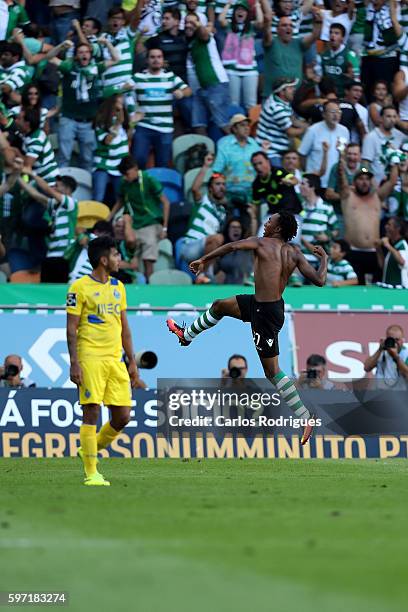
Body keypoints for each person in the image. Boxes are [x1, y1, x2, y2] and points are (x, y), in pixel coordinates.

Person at [166, 211, 329, 445]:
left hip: (265, 313)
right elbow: (320, 280)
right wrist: (324, 259)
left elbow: (232, 246)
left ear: (279, 227)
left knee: (272, 372)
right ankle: (187, 335)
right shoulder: (295, 252)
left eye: (270, 220)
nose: (266, 223)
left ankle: (305, 417)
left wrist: (204, 260)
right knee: (220, 305)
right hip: (261, 304)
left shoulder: (262, 242)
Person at [66, 235, 140, 486]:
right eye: (116, 254)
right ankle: (91, 472)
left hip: (114, 359)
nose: (120, 259)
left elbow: (125, 329)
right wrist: (74, 362)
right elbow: (70, 328)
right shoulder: (79, 288)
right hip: (90, 357)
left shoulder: (119, 287)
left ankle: (90, 448)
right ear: (103, 259)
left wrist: (132, 362)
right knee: (92, 411)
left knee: (123, 417)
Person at [43, 38, 120, 173]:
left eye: (86, 52)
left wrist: (107, 43)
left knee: (87, 158)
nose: (84, 55)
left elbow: (116, 59)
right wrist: (61, 46)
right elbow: (49, 57)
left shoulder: (96, 68)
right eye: (80, 52)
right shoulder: (69, 67)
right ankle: (60, 188)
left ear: (90, 55)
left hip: (88, 121)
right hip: (68, 119)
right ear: (76, 55)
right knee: (64, 156)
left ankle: (87, 190)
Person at [127, 47, 191, 169]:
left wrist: (182, 93)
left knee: (163, 164)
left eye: (159, 57)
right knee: (138, 160)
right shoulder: (138, 77)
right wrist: (132, 113)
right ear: (147, 60)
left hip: (164, 128)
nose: (156, 60)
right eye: (152, 57)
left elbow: (188, 90)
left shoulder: (171, 77)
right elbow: (123, 90)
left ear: (163, 60)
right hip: (144, 127)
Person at [110, 155, 170, 280]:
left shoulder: (149, 180)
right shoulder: (124, 182)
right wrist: (108, 217)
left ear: (135, 168)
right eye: (123, 175)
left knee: (148, 247)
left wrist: (164, 228)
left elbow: (165, 202)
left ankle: (149, 283)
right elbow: (120, 201)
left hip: (151, 222)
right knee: (129, 246)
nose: (125, 177)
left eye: (127, 174)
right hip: (134, 222)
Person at [19, 169, 78, 282]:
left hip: (63, 257)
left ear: (67, 189)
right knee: (46, 291)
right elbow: (35, 194)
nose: (53, 188)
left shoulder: (71, 202)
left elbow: (46, 189)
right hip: (50, 255)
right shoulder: (55, 204)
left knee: (60, 293)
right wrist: (17, 176)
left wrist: (32, 173)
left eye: (57, 186)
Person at [185, 14, 231, 136]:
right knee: (198, 124)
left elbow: (204, 34)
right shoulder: (192, 43)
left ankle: (239, 150)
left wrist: (200, 25)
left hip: (216, 85)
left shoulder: (206, 36)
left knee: (223, 124)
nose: (188, 25)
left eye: (192, 23)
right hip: (201, 88)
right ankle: (204, 153)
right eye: (186, 23)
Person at [178, 169, 227, 281]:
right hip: (190, 246)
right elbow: (195, 188)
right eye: (218, 184)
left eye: (224, 184)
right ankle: (204, 274)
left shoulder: (223, 212)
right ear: (210, 188)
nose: (221, 187)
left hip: (207, 249)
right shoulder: (204, 200)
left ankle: (205, 278)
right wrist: (205, 167)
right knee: (218, 238)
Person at [262, 10, 323, 99]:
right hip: (273, 96)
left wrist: (318, 22)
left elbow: (314, 36)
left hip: (296, 97)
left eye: (291, 25)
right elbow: (267, 34)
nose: (288, 28)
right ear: (277, 29)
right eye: (284, 25)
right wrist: (267, 22)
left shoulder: (298, 43)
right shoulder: (271, 42)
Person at [256, 77, 308, 167]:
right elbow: (291, 132)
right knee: (281, 177)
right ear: (282, 92)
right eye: (290, 88)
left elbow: (293, 119)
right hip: (272, 152)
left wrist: (305, 125)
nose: (294, 90)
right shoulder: (277, 108)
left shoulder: (278, 99)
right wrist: (307, 128)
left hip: (279, 148)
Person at [298, 99, 350, 187]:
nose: (335, 115)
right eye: (332, 112)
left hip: (335, 183)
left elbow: (345, 155)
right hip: (316, 182)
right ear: (324, 114)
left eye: (338, 112)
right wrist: (309, 172)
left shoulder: (344, 131)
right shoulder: (313, 130)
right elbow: (302, 154)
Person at [250, 150, 302, 235]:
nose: (258, 167)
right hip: (273, 215)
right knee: (261, 238)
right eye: (255, 165)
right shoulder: (256, 184)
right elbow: (255, 208)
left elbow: (295, 180)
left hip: (292, 214)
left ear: (267, 162)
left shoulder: (279, 172)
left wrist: (289, 181)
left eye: (260, 163)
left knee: (292, 244)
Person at [93, 95, 131, 202]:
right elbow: (107, 141)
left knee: (121, 198)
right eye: (118, 104)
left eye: (122, 104)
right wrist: (118, 124)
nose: (121, 107)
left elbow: (128, 139)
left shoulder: (124, 121)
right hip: (103, 164)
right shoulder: (100, 121)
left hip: (120, 165)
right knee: (98, 197)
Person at [212, 113, 260, 199]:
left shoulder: (254, 143)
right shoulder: (224, 144)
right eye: (242, 125)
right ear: (234, 129)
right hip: (230, 190)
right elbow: (217, 171)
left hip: (253, 190)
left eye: (248, 125)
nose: (247, 128)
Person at [362, 106, 406, 185]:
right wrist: (368, 181)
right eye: (388, 116)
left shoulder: (400, 136)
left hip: (397, 186)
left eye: (394, 117)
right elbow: (364, 165)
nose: (392, 120)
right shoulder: (371, 137)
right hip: (376, 187)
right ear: (381, 118)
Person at [316, 23, 359, 98]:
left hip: (343, 96)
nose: (332, 35)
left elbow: (357, 81)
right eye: (331, 32)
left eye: (336, 33)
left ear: (342, 37)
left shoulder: (350, 55)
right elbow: (319, 77)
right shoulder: (323, 55)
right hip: (326, 96)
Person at [364, 324, 408, 389]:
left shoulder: (406, 354)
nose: (394, 342)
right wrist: (379, 349)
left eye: (397, 340)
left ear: (402, 341)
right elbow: (366, 368)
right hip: (381, 394)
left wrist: (396, 357)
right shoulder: (381, 352)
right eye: (391, 339)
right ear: (386, 339)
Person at [375, 216, 408, 288]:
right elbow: (383, 266)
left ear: (398, 229)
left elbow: (403, 262)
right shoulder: (393, 245)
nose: (386, 227)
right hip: (389, 287)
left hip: (399, 289)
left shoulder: (402, 245)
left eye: (389, 225)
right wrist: (378, 248)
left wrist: (387, 245)